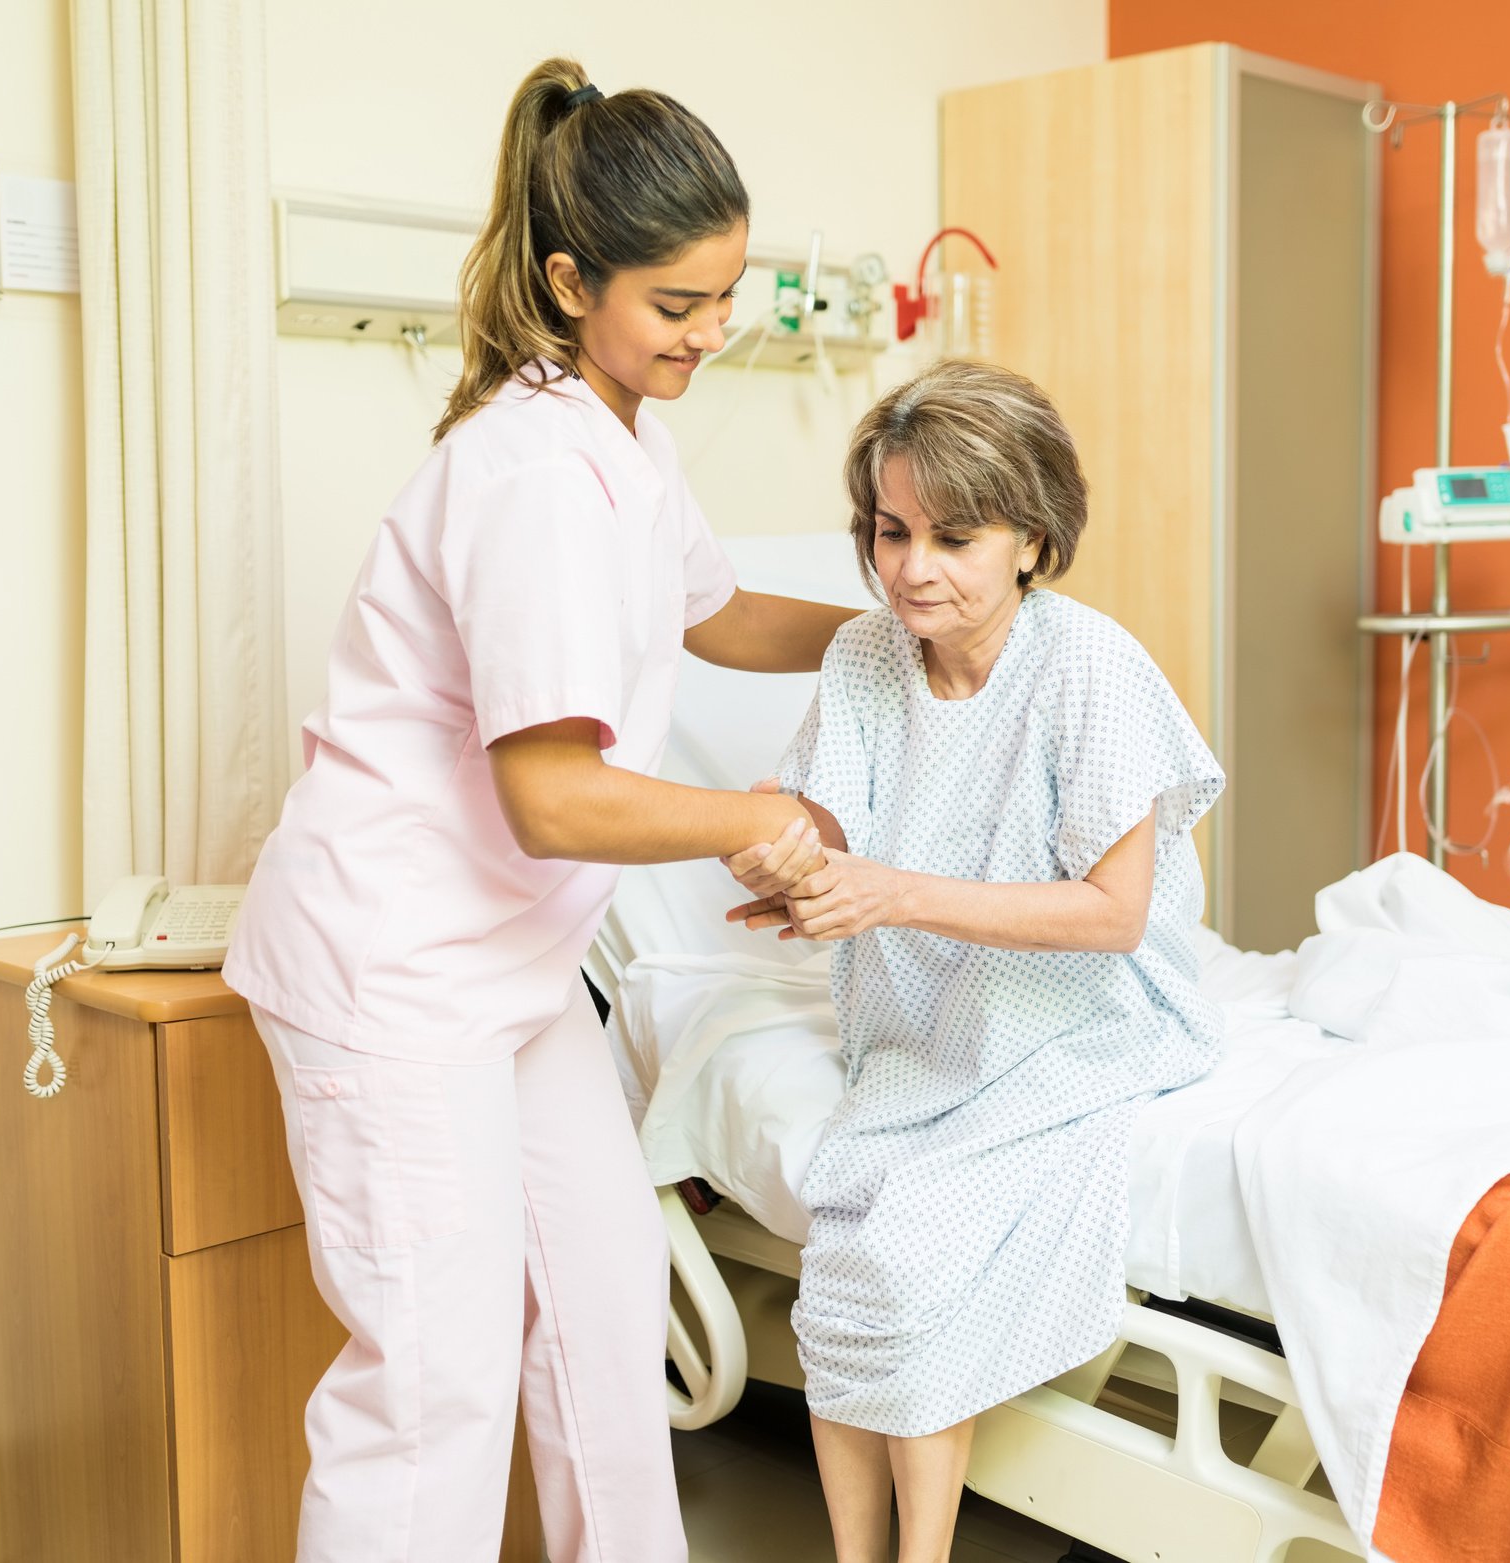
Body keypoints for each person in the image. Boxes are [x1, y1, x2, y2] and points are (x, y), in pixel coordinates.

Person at [222, 56, 856, 1563]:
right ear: (574, 281)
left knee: (599, 1301)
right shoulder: (526, 478)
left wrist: (899, 621)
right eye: (677, 304)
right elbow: (552, 795)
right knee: (432, 1386)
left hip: (507, 967)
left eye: (728, 293)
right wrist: (759, 814)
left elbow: (712, 614)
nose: (714, 331)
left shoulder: (622, 436)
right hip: (394, 968)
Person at [729, 361, 1227, 1563]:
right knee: (846, 1249)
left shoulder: (1088, 668)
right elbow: (836, 822)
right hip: (923, 1015)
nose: (913, 568)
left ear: (1032, 537)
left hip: (1094, 1010)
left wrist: (889, 891)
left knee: (905, 1249)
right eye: (892, 532)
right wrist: (788, 859)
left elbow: (1113, 917)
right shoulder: (864, 657)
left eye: (955, 536)